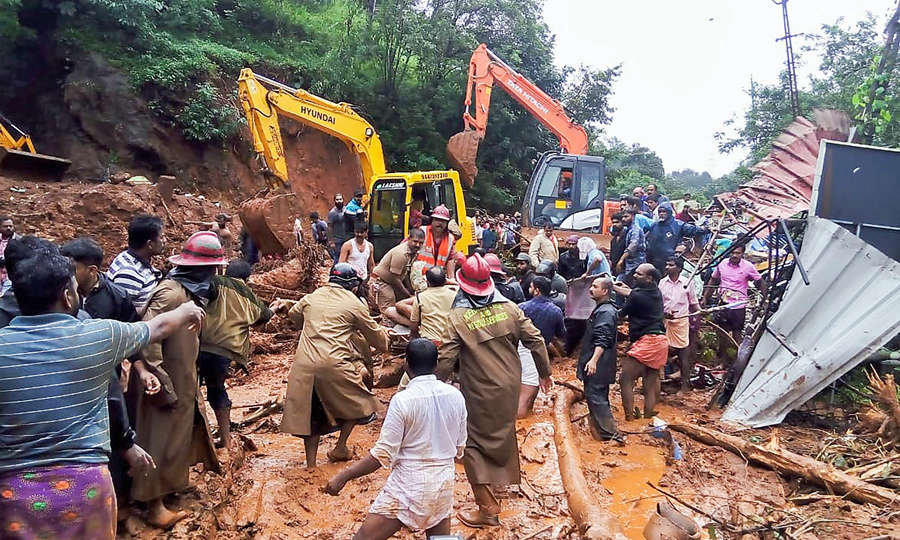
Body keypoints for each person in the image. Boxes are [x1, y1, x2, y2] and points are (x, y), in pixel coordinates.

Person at [0, 250, 204, 540]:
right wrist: (186, 310)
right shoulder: (99, 337)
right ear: (68, 296)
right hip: (84, 487)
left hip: (13, 493)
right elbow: (158, 326)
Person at [437, 254, 552, 528]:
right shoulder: (510, 308)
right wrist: (545, 373)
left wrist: (436, 383)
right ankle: (500, 485)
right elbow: (535, 339)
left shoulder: (457, 317)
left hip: (479, 388)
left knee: (472, 444)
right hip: (511, 384)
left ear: (462, 285)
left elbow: (445, 359)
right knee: (502, 431)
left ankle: (488, 510)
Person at [130, 231, 226, 528]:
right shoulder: (172, 294)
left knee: (176, 437)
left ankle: (169, 489)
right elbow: (147, 338)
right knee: (156, 440)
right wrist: (158, 378)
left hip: (182, 377)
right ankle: (153, 505)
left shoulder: (188, 293)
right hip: (162, 381)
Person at [325, 339, 466, 539]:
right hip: (443, 482)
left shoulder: (403, 400)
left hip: (409, 484)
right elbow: (460, 448)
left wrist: (343, 477)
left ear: (406, 365)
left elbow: (382, 454)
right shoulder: (456, 396)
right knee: (440, 537)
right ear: (436, 364)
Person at [58, 237, 156, 524]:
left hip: (107, 383)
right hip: (68, 381)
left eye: (72, 270)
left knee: (113, 440)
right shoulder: (53, 294)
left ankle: (118, 507)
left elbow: (134, 336)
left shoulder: (116, 297)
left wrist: (142, 370)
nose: (67, 276)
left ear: (90, 270)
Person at [272, 263, 389, 467]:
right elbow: (377, 339)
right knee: (361, 403)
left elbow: (294, 317)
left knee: (311, 415)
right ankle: (340, 446)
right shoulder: (354, 304)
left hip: (304, 366)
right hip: (335, 365)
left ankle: (310, 466)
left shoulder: (312, 297)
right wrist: (386, 336)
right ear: (353, 286)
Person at [199, 259, 273, 448]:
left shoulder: (216, 282)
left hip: (200, 345)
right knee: (217, 389)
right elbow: (264, 315)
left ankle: (201, 440)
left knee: (193, 392)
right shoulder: (249, 295)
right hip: (225, 350)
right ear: (247, 278)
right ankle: (226, 439)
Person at [613, 264, 668, 420]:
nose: (635, 275)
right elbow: (633, 293)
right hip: (661, 342)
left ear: (649, 278)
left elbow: (621, 314)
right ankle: (648, 415)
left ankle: (630, 418)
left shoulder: (637, 296)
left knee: (625, 379)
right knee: (650, 382)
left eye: (639, 274)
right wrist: (620, 288)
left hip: (647, 342)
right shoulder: (655, 291)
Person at [702, 242, 766, 362]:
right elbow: (713, 280)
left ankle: (737, 361)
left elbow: (760, 281)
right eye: (733, 252)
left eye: (738, 253)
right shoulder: (722, 264)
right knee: (722, 333)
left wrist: (764, 297)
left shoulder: (748, 267)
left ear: (742, 254)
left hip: (738, 305)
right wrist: (705, 297)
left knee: (737, 333)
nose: (735, 255)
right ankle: (723, 360)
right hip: (723, 303)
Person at [579, 276, 622, 441]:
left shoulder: (605, 312)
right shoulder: (605, 309)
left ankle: (611, 435)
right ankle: (602, 430)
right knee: (598, 396)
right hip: (602, 363)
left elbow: (602, 338)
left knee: (596, 396)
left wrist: (593, 360)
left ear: (605, 291)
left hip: (599, 363)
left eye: (595, 286)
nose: (591, 288)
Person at [518, 276, 566, 417]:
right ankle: (521, 417)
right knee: (530, 385)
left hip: (520, 348)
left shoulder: (522, 307)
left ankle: (520, 416)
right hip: (539, 350)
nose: (529, 289)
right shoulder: (556, 311)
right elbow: (561, 334)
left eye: (531, 287)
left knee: (522, 382)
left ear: (537, 291)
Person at [107, 214, 165, 315]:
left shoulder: (130, 256)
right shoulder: (129, 273)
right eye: (161, 237)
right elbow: (124, 314)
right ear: (150, 244)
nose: (165, 241)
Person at [659, 256, 700, 392]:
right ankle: (660, 381)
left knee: (683, 353)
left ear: (679, 269)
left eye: (670, 265)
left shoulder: (687, 283)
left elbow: (693, 303)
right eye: (667, 264)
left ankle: (684, 385)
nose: (667, 267)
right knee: (661, 351)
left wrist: (699, 314)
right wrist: (663, 314)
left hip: (681, 321)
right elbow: (658, 303)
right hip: (665, 321)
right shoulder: (662, 283)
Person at [371, 228, 425, 327]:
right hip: (383, 281)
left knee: (404, 304)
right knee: (388, 311)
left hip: (394, 281)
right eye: (415, 241)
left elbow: (406, 273)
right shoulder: (401, 253)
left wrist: (411, 290)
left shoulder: (414, 253)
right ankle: (386, 335)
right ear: (409, 239)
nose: (417, 245)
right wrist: (407, 293)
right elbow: (394, 278)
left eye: (420, 243)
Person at [646, 202, 706, 274]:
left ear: (669, 212)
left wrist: (706, 229)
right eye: (660, 212)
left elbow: (693, 230)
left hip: (670, 260)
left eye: (664, 211)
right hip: (654, 259)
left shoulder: (678, 224)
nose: (661, 214)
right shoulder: (654, 225)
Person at [416, 204, 457, 278]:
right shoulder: (422, 231)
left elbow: (450, 260)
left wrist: (452, 279)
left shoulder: (450, 238)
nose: (440, 223)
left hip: (437, 279)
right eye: (437, 220)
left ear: (446, 223)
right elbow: (406, 249)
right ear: (432, 221)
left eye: (443, 221)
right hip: (419, 277)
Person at [614, 209, 646, 286]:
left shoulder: (635, 229)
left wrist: (621, 259)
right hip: (628, 265)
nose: (623, 219)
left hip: (636, 264)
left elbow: (633, 244)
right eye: (622, 217)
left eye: (626, 216)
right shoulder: (628, 229)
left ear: (633, 216)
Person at [0, 215, 19, 293]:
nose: (8, 228)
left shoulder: (20, 241)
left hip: (11, 278)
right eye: (5, 226)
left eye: (10, 226)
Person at [327, 193, 348, 262]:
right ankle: (335, 272)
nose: (339, 201)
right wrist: (331, 241)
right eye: (337, 199)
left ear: (343, 200)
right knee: (337, 258)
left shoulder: (347, 210)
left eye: (340, 199)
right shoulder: (332, 213)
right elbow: (329, 227)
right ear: (334, 201)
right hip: (337, 240)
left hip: (347, 238)